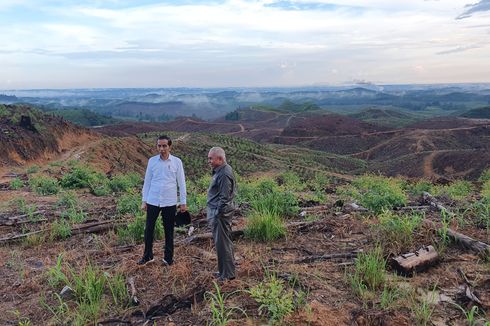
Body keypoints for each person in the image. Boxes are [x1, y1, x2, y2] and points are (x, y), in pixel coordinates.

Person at [138, 135, 187, 266]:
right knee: (148, 229)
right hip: (153, 200)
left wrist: (183, 202)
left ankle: (168, 258)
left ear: (169, 146)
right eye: (159, 146)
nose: (162, 148)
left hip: (169, 202)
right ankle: (148, 256)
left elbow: (181, 183)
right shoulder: (152, 161)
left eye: (164, 145)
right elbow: (147, 182)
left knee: (169, 230)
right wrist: (144, 200)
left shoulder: (177, 162)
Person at [207, 147, 237, 281]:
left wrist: (218, 213)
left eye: (210, 158)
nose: (209, 161)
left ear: (219, 159)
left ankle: (227, 275)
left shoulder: (224, 173)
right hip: (218, 212)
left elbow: (225, 197)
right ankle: (223, 271)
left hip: (220, 214)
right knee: (221, 243)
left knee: (223, 244)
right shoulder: (220, 170)